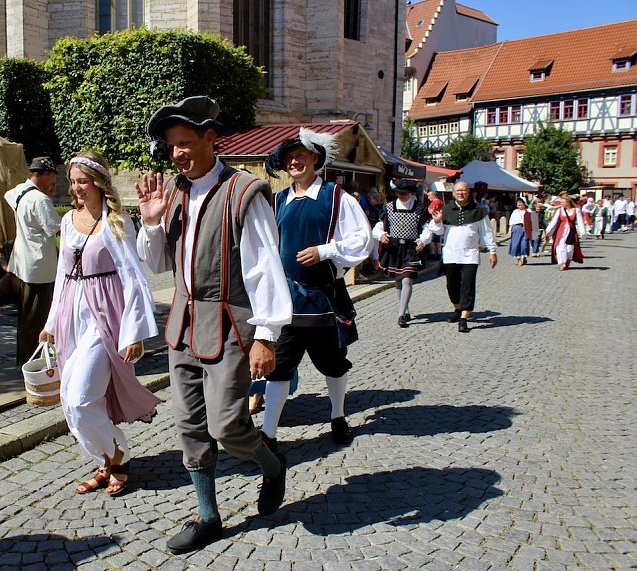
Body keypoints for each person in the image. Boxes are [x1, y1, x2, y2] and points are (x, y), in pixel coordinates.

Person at [135, 96, 292, 554]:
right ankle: (208, 516)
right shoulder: (176, 194)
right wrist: (150, 223)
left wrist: (266, 336)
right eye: (171, 147)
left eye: (185, 143)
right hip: (184, 324)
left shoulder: (245, 191)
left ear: (209, 138)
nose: (177, 153)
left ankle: (271, 464)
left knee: (226, 426)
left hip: (230, 323)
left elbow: (265, 267)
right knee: (189, 425)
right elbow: (160, 263)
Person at [39, 150, 160, 497]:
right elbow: (63, 275)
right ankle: (107, 459)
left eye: (83, 181)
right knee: (68, 398)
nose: (76, 188)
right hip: (69, 317)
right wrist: (50, 322)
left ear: (98, 183)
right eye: (73, 181)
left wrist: (134, 331)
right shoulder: (67, 221)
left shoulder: (116, 222)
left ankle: (117, 455)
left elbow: (135, 278)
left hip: (103, 316)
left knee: (80, 398)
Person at [247, 128, 372, 453]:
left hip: (323, 300)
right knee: (279, 369)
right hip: (286, 303)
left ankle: (338, 416)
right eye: (289, 158)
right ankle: (269, 434)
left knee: (333, 364)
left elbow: (363, 239)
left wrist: (326, 251)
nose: (294, 162)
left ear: (315, 158)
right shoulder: (280, 200)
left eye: (300, 156)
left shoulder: (335, 196)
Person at [4, 156, 61, 367]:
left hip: (23, 261)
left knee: (27, 314)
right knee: (36, 318)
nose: (53, 182)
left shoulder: (19, 191)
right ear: (45, 174)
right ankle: (31, 361)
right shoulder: (40, 199)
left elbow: (7, 195)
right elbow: (57, 228)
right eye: (52, 177)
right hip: (39, 266)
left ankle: (25, 358)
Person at [430, 181, 497, 333]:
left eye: (464, 191)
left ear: (469, 193)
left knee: (468, 286)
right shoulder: (445, 210)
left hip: (470, 255)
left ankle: (464, 318)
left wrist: (492, 251)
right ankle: (457, 308)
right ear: (453, 193)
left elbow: (486, 232)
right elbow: (438, 231)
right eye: (458, 191)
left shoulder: (478, 211)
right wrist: (437, 220)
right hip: (450, 254)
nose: (461, 193)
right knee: (452, 285)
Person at [373, 179, 433, 328]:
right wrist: (380, 234)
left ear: (411, 193)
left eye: (404, 193)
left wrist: (423, 240)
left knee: (407, 279)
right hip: (393, 248)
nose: (401, 195)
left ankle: (400, 315)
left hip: (411, 249)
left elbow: (426, 228)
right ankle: (405, 309)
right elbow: (378, 226)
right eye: (399, 193)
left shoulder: (420, 208)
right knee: (398, 280)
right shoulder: (388, 207)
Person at [545, 192, 585, 271]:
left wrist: (583, 232)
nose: (561, 204)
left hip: (571, 231)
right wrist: (548, 231)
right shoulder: (560, 211)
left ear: (568, 202)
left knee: (569, 248)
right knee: (559, 247)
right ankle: (562, 263)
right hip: (561, 231)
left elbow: (580, 221)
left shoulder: (576, 210)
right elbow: (554, 221)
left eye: (562, 202)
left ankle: (568, 260)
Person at [507, 198, 533, 266]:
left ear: (524, 203)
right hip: (517, 228)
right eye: (518, 202)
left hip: (526, 228)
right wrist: (510, 230)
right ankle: (518, 259)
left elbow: (533, 221)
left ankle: (523, 256)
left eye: (520, 202)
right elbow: (511, 221)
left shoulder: (529, 211)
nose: (519, 204)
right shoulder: (515, 211)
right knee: (516, 244)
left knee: (524, 244)